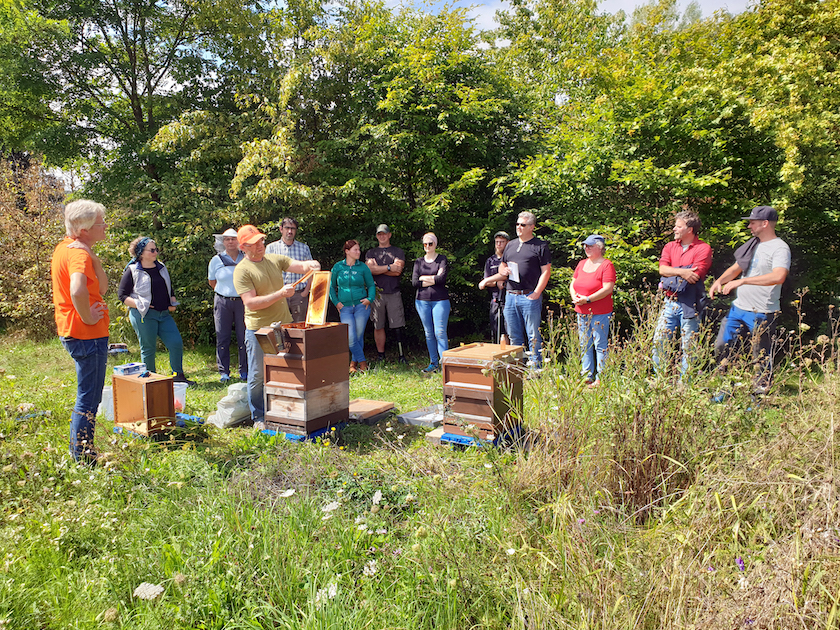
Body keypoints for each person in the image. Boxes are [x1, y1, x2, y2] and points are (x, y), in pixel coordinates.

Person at [233, 224, 321, 427]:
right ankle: (259, 416)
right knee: (257, 374)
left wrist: (311, 264)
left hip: (285, 326)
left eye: (261, 241)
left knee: (289, 369)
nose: (260, 245)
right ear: (243, 247)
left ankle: (287, 410)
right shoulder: (242, 271)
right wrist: (280, 294)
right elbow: (251, 303)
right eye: (255, 244)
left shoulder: (274, 259)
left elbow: (299, 266)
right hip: (259, 329)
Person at [709, 206, 790, 398]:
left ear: (765, 223)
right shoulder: (753, 244)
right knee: (722, 345)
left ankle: (758, 398)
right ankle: (725, 389)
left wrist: (743, 280)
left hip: (762, 311)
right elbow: (737, 267)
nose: (749, 226)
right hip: (738, 308)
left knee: (760, 355)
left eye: (752, 222)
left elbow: (779, 276)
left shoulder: (780, 248)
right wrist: (719, 281)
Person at [51, 199, 109, 463]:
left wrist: (95, 258)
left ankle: (82, 452)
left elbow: (103, 288)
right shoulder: (78, 254)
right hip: (87, 334)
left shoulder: (68, 249)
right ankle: (84, 458)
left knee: (89, 395)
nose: (105, 226)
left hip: (75, 332)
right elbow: (77, 289)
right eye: (100, 223)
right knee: (89, 398)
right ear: (85, 229)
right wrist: (87, 316)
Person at [118, 236, 195, 385]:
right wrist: (140, 305)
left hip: (164, 314)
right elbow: (122, 295)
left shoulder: (161, 266)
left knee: (176, 343)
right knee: (148, 348)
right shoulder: (133, 270)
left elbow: (169, 286)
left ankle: (177, 376)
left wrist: (173, 300)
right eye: (152, 250)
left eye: (156, 249)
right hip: (143, 316)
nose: (156, 252)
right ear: (141, 253)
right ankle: (151, 381)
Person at [482, 211, 552, 369]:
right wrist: (503, 270)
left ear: (532, 227)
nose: (519, 227)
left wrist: (537, 293)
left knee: (533, 334)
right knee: (514, 335)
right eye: (517, 224)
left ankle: (536, 369)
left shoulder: (540, 246)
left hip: (529, 295)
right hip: (511, 296)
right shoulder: (511, 244)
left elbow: (546, 272)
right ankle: (517, 369)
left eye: (523, 225)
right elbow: (503, 264)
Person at [652, 211, 713, 379]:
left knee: (689, 346)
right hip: (669, 301)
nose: (674, 229)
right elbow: (662, 269)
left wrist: (670, 277)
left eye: (678, 226)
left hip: (690, 303)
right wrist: (682, 272)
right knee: (659, 342)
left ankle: (685, 384)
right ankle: (660, 380)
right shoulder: (670, 247)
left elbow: (695, 276)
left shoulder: (703, 248)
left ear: (690, 229)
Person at [569, 235, 616, 386]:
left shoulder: (607, 265)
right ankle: (586, 375)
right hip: (581, 310)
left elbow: (608, 288)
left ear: (600, 247)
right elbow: (573, 283)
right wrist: (575, 297)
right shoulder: (582, 263)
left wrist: (588, 299)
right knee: (585, 343)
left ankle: (602, 378)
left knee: (600, 344)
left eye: (590, 246)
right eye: (585, 246)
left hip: (600, 311)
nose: (586, 248)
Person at [329, 239, 376, 374]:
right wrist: (336, 302)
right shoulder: (338, 267)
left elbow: (371, 285)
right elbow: (331, 286)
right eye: (355, 250)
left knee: (359, 335)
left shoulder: (363, 267)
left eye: (359, 249)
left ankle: (353, 364)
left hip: (362, 306)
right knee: (350, 337)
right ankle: (363, 362)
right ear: (347, 251)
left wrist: (370, 299)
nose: (358, 252)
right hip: (345, 308)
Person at [208, 228, 247, 383]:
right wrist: (226, 292)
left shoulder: (246, 258)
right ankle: (224, 372)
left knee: (244, 337)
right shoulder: (216, 260)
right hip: (222, 302)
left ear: (239, 241)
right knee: (222, 336)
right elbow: (212, 282)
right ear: (223, 242)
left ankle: (244, 370)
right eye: (227, 239)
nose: (230, 242)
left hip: (243, 302)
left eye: (233, 239)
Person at [365, 224, 408, 364]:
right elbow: (369, 270)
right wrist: (389, 267)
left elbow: (398, 271)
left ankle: (401, 355)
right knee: (378, 325)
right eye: (379, 234)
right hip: (377, 294)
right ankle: (381, 356)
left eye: (384, 233)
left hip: (393, 292)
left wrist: (378, 268)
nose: (381, 236)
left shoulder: (397, 251)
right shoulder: (371, 253)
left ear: (389, 235)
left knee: (397, 325)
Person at [412, 233, 450, 373]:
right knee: (429, 333)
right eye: (425, 244)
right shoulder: (419, 262)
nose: (427, 246)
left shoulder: (442, 259)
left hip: (440, 301)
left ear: (435, 244)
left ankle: (445, 365)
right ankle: (434, 363)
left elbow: (442, 279)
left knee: (440, 332)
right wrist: (434, 278)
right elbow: (415, 282)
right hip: (422, 301)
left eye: (430, 243)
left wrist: (424, 278)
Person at [265, 217, 313, 323]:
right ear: (281, 229)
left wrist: (305, 292)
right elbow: (266, 271)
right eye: (287, 228)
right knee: (278, 325)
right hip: (279, 294)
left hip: (299, 294)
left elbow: (311, 271)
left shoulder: (304, 248)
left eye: (293, 228)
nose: (290, 231)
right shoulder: (271, 248)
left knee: (300, 325)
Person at [478, 231, 510, 343]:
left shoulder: (511, 259)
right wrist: (497, 282)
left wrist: (503, 280)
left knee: (510, 330)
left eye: (502, 242)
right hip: (496, 299)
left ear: (508, 243)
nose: (499, 244)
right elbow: (486, 281)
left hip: (510, 298)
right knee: (496, 329)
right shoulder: (490, 261)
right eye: (497, 242)